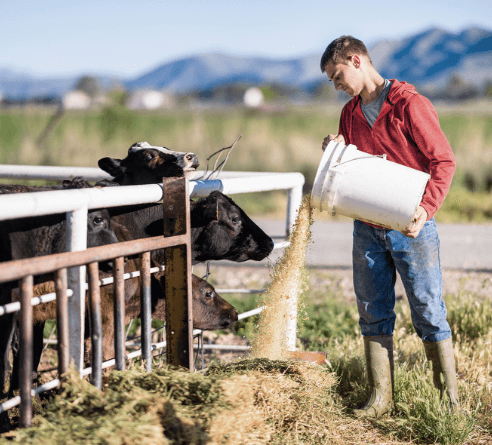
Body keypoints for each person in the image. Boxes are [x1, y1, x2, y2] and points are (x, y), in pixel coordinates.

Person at [319, 36, 458, 417]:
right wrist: (334, 148)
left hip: (411, 225)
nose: (336, 85)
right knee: (371, 310)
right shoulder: (349, 113)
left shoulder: (410, 105)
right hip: (366, 227)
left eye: (337, 75)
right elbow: (352, 163)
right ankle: (381, 400)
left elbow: (443, 162)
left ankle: (449, 402)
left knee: (428, 310)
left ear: (356, 59)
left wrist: (426, 209)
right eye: (331, 80)